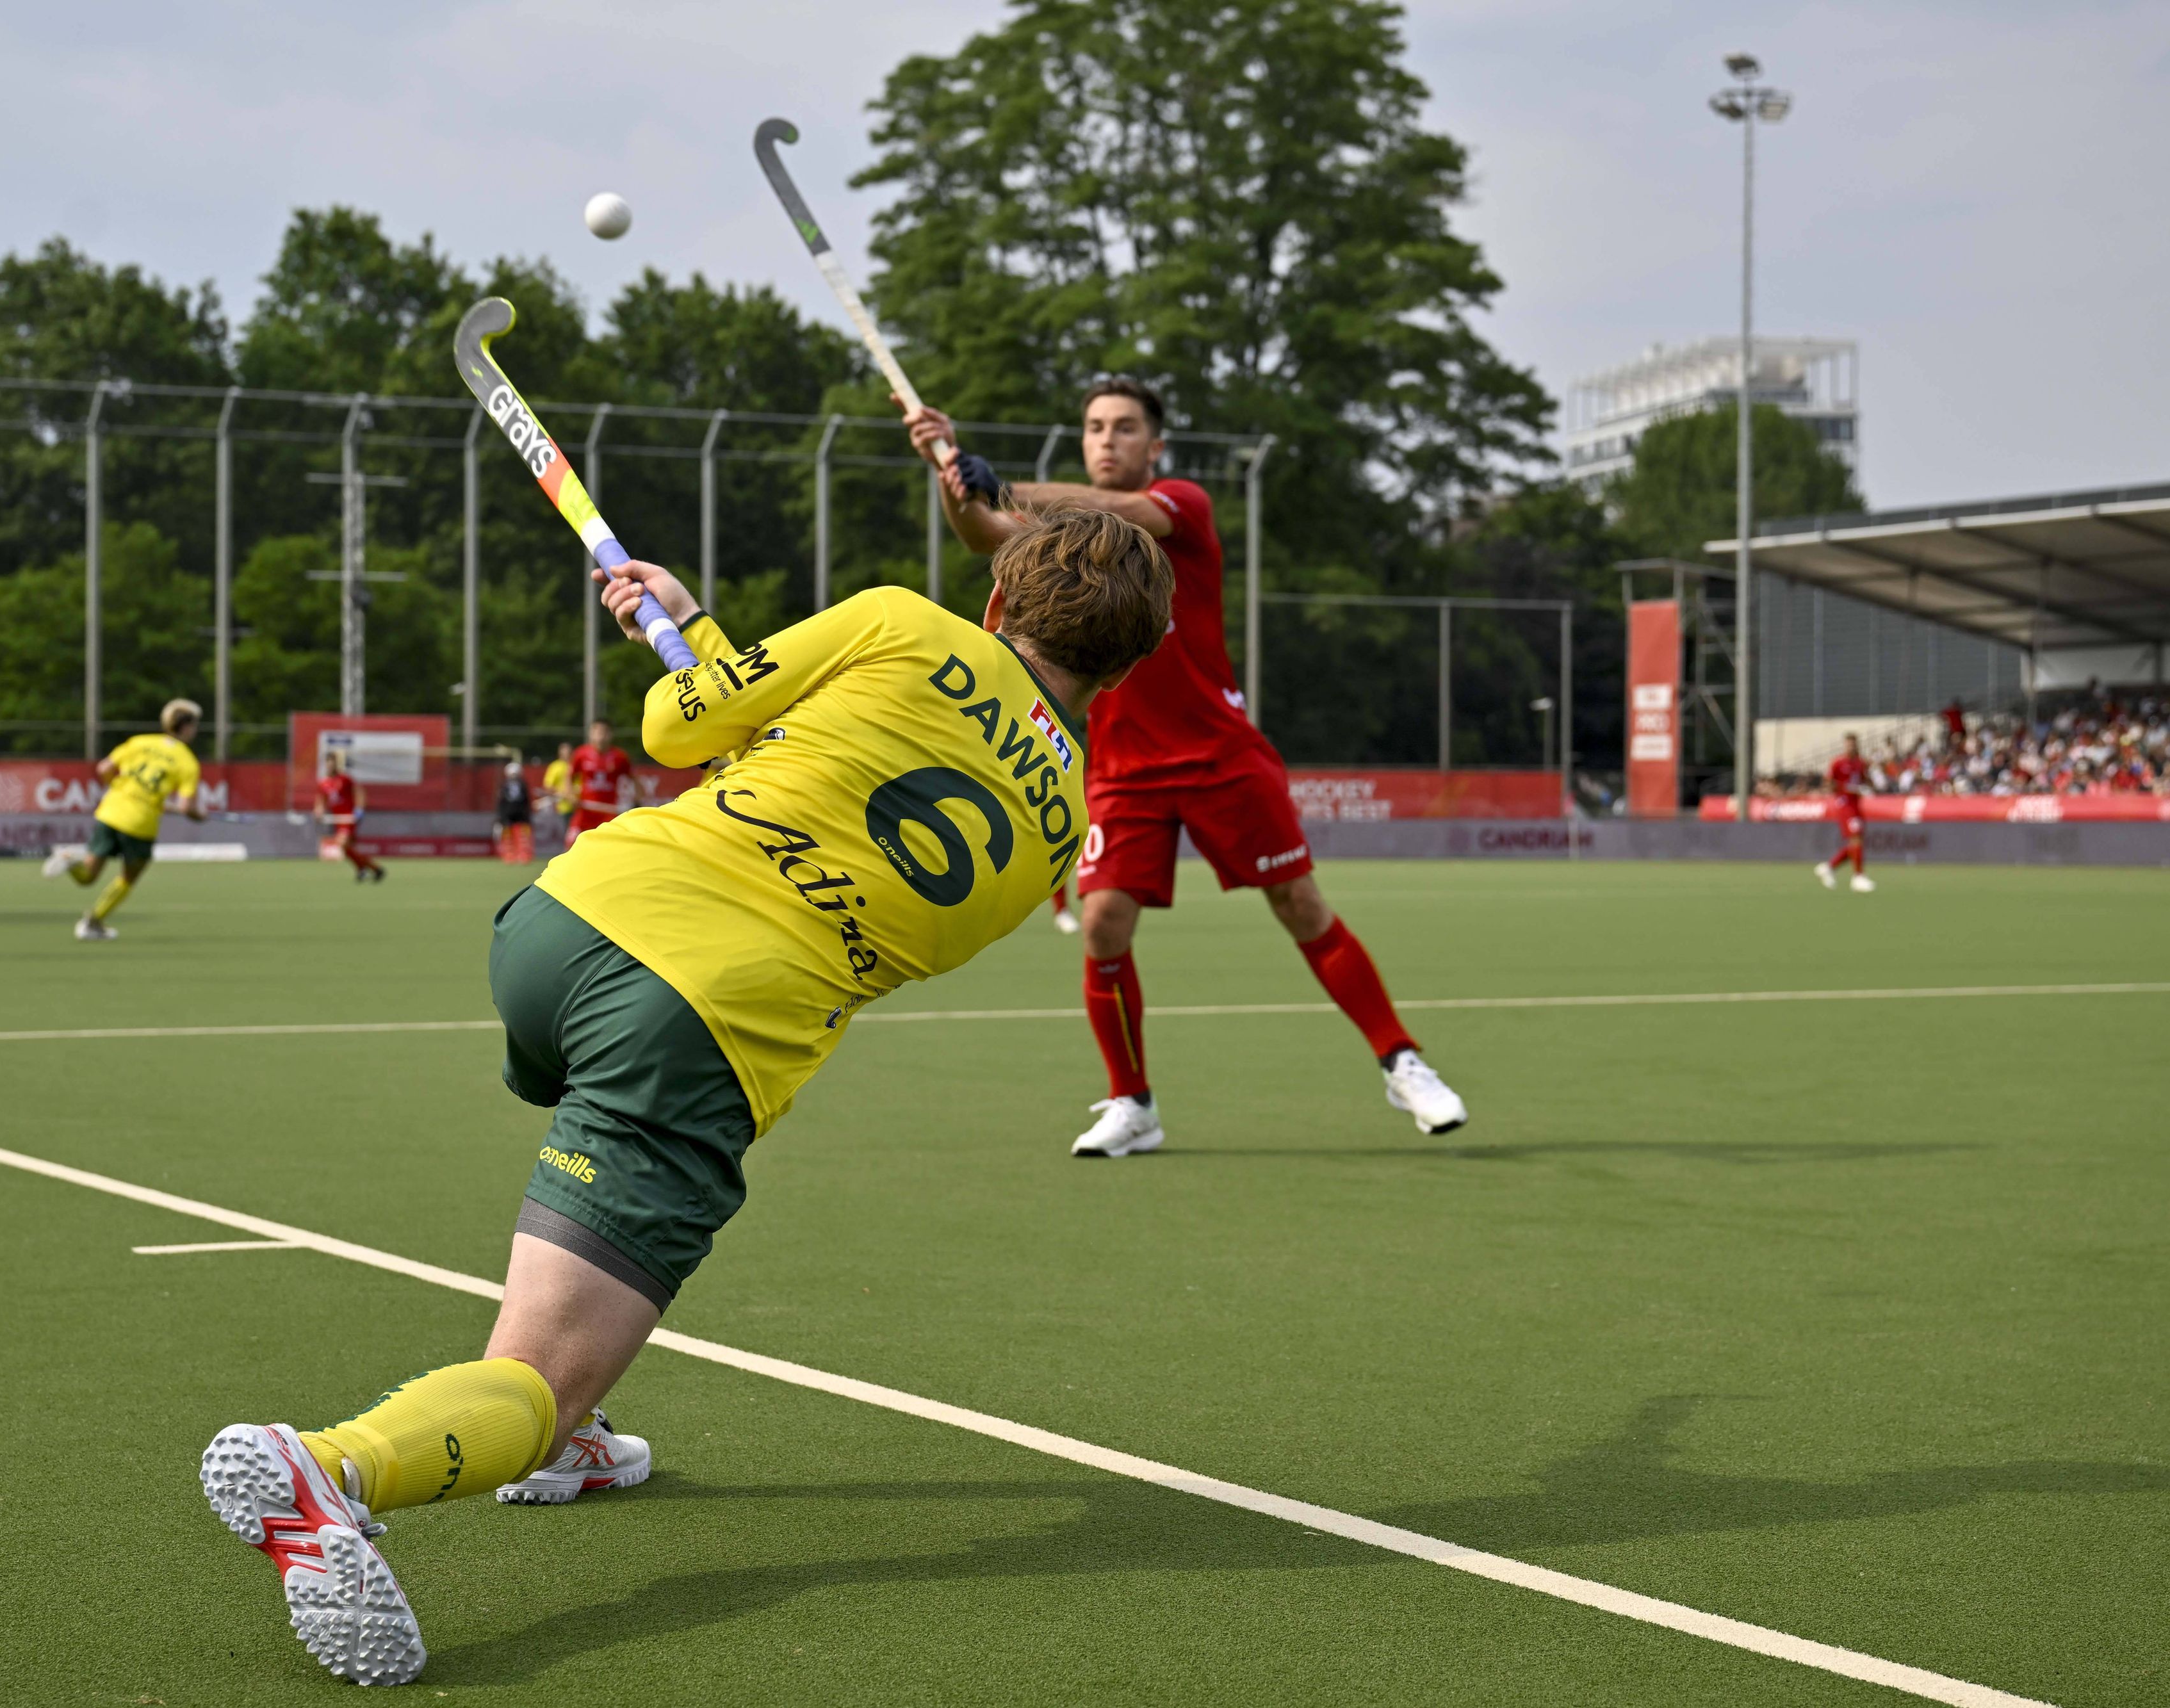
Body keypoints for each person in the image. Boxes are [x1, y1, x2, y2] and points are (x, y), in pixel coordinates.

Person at [197, 511, 1171, 1685]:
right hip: (690, 1026)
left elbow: (680, 727)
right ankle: (332, 1468)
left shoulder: (899, 619)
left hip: (560, 931)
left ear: (1000, 604)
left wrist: (699, 636)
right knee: (538, 1383)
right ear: (1125, 669)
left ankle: (579, 1437)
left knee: (584, 1165)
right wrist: (713, 660)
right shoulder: (1062, 825)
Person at [904, 378, 1466, 1157]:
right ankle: (1132, 1104)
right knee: (1100, 923)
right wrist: (953, 477)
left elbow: (1121, 514)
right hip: (1125, 767)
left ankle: (1401, 1061)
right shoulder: (1064, 539)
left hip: (1219, 754)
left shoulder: (1181, 506)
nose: (1107, 440)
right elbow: (982, 536)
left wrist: (1001, 481)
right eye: (1095, 427)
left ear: (1154, 445)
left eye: (1125, 428)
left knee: (1300, 906)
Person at [42, 699, 206, 939]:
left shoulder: (141, 742)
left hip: (111, 811)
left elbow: (103, 768)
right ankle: (92, 923)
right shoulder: (187, 761)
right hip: (140, 824)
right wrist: (200, 815)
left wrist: (118, 787)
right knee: (128, 878)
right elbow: (186, 807)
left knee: (88, 875)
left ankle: (69, 860)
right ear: (187, 727)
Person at [560, 717, 636, 845]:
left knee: (610, 848)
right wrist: (571, 795)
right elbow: (569, 777)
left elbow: (634, 779)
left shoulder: (620, 757)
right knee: (571, 844)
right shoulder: (581, 754)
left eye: (604, 732)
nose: (600, 736)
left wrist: (638, 800)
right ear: (591, 733)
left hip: (608, 813)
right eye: (597, 731)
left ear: (611, 735)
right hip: (585, 812)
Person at [1813, 733, 1873, 893]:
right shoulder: (1838, 763)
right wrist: (1847, 788)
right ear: (1845, 746)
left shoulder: (1861, 763)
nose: (1851, 747)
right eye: (1848, 744)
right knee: (1856, 839)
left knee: (1856, 842)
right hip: (1844, 804)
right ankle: (1858, 877)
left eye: (1853, 744)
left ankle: (1829, 867)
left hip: (1856, 804)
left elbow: (1866, 780)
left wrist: (1867, 785)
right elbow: (1829, 784)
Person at [314, 749, 385, 883]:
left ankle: (365, 868)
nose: (331, 766)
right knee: (347, 849)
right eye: (328, 763)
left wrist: (359, 810)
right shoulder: (323, 783)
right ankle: (373, 869)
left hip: (349, 819)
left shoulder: (345, 779)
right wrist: (318, 811)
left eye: (333, 763)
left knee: (342, 844)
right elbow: (321, 801)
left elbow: (359, 793)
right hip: (337, 820)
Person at [492, 759, 537, 864]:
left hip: (521, 813)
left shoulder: (522, 784)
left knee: (523, 836)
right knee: (508, 836)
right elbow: (501, 801)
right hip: (508, 813)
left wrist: (527, 814)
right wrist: (500, 816)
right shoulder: (504, 785)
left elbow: (526, 800)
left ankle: (524, 855)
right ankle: (510, 856)